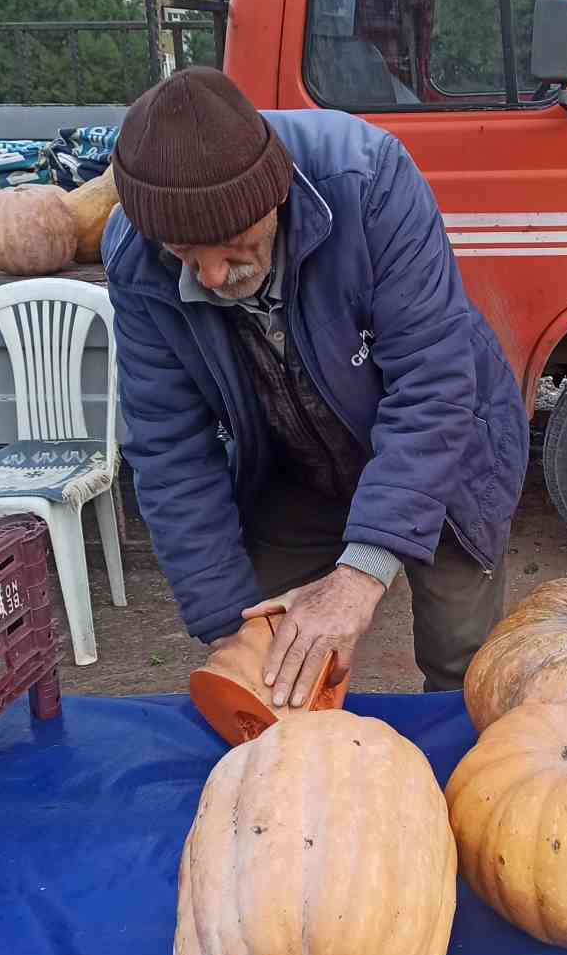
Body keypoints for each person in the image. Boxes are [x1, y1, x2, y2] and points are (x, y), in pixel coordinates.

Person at [102, 67, 528, 707]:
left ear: (274, 195)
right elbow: (169, 451)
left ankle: (459, 784)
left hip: (445, 452)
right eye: (188, 256)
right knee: (269, 659)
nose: (214, 275)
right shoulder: (135, 261)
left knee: (462, 664)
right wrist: (227, 626)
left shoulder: (367, 180)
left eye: (235, 246)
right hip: (291, 464)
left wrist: (362, 574)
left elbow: (433, 385)